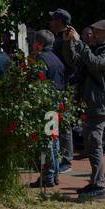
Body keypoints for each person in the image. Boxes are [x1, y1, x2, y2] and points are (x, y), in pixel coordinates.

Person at [65, 19, 105, 199]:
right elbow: (75, 61)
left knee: (95, 144)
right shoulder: (94, 49)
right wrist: (70, 42)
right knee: (89, 144)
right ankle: (95, 181)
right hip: (89, 104)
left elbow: (95, 62)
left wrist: (80, 42)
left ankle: (100, 186)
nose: (93, 34)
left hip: (100, 106)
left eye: (97, 31)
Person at [30, 29, 68, 188]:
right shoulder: (57, 59)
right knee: (54, 139)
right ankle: (55, 174)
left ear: (39, 44)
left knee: (47, 141)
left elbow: (38, 83)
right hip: (57, 103)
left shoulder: (41, 59)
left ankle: (48, 175)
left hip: (46, 104)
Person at [48, 8, 76, 171]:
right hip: (60, 86)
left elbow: (71, 63)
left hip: (64, 86)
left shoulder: (67, 39)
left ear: (59, 22)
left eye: (53, 20)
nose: (51, 23)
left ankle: (65, 159)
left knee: (63, 123)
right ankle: (56, 158)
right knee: (55, 122)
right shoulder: (60, 38)